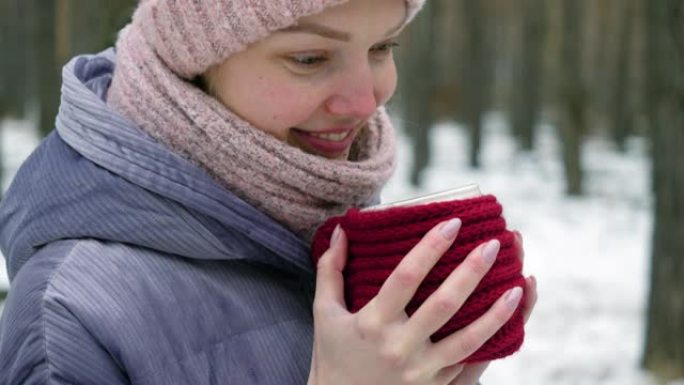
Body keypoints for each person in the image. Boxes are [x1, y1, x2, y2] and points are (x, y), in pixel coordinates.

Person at [0, 0, 537, 384]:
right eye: (309, 58)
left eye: (382, 46)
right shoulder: (71, 316)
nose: (364, 99)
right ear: (196, 59)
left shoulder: (322, 215)